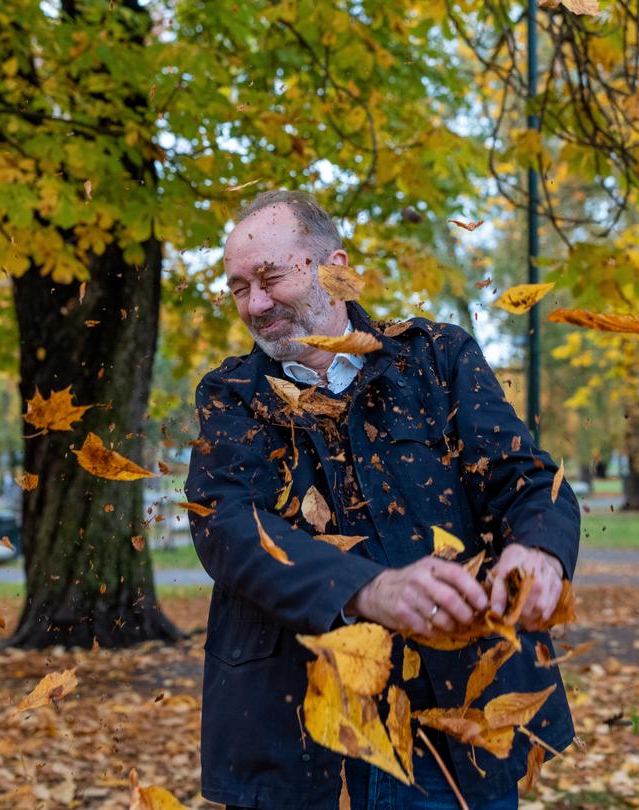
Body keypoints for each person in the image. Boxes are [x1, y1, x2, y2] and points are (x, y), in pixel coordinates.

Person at [184, 190, 580, 809]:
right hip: (298, 742)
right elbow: (229, 528)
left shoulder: (437, 357)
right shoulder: (229, 395)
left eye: (270, 277)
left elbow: (524, 479)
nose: (255, 305)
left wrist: (539, 554)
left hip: (452, 732)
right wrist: (366, 591)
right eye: (239, 288)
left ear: (335, 267)